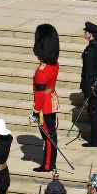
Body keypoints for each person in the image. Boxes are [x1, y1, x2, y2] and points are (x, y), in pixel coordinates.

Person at [29, 24, 60, 172]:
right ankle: (50, 162)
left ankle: (47, 165)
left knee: (48, 137)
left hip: (44, 106)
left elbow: (40, 94)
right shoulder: (54, 65)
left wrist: (35, 112)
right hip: (52, 100)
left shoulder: (42, 71)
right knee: (51, 135)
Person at [80, 22, 97, 147]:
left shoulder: (89, 51)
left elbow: (88, 72)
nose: (84, 33)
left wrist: (88, 89)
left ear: (90, 34)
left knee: (94, 113)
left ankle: (96, 140)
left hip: (92, 85)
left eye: (86, 32)